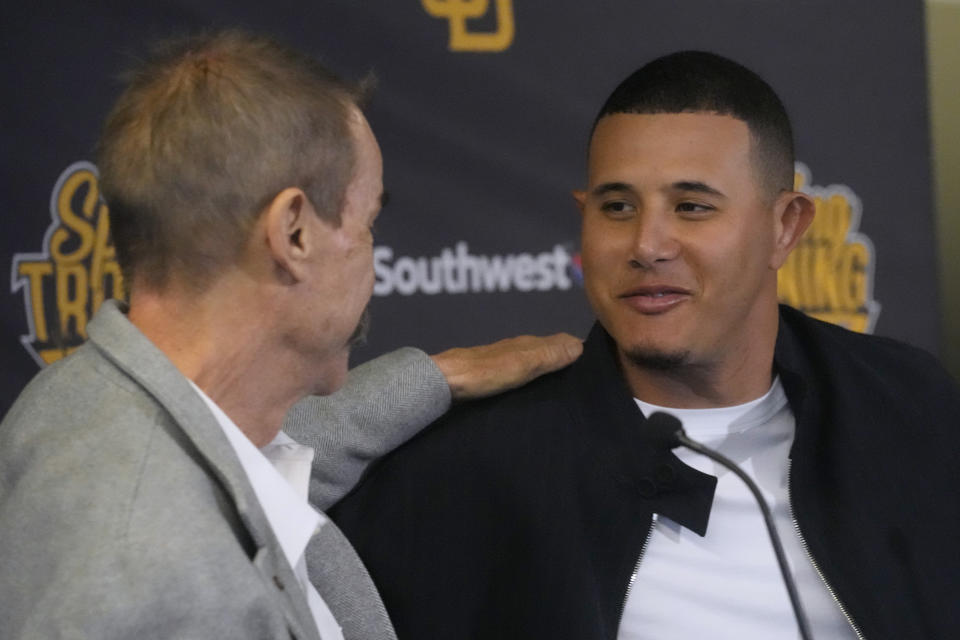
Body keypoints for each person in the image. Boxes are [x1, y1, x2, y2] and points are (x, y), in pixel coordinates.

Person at [326, 51, 960, 639]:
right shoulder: (470, 466)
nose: (647, 244)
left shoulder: (906, 407)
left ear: (785, 227)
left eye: (691, 207)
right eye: (617, 207)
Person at [0, 31, 582, 640]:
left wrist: (434, 377)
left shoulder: (74, 403)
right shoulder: (154, 574)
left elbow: (252, 458)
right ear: (294, 234)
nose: (374, 261)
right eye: (369, 223)